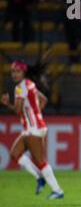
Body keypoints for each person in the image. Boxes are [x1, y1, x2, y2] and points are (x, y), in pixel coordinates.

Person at [1, 60, 64, 199]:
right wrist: (36, 114)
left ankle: (58, 191)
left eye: (17, 71)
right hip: (34, 127)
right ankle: (39, 178)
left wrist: (7, 104)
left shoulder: (20, 88)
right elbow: (43, 100)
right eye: (12, 71)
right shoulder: (30, 84)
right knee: (14, 154)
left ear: (23, 72)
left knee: (40, 161)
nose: (14, 74)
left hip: (33, 129)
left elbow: (17, 110)